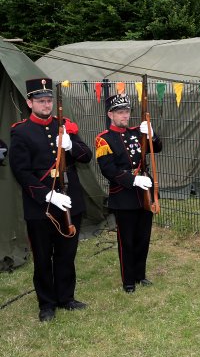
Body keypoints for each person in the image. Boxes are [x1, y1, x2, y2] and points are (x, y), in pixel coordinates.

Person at [10, 78, 92, 321]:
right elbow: (21, 171)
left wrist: (70, 145)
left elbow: (86, 156)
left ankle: (66, 297)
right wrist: (47, 194)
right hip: (40, 206)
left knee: (67, 253)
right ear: (29, 102)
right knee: (43, 256)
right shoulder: (21, 131)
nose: (46, 104)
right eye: (40, 100)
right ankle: (46, 304)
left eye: (48, 100)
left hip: (69, 201)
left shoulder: (64, 126)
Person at [96, 93, 162, 293]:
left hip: (144, 194)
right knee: (127, 240)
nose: (125, 116)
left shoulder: (136, 132)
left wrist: (152, 134)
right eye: (121, 112)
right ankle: (128, 280)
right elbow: (109, 170)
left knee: (143, 237)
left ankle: (140, 274)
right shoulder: (103, 139)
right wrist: (133, 179)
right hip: (123, 195)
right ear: (111, 114)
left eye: (127, 112)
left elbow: (157, 148)